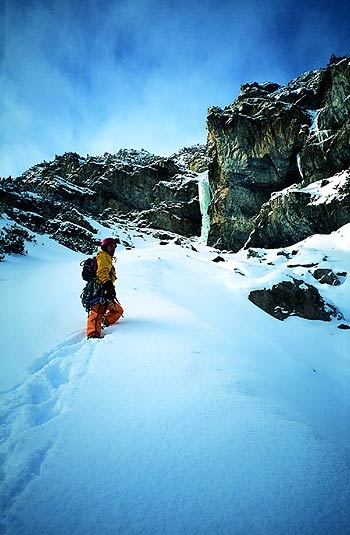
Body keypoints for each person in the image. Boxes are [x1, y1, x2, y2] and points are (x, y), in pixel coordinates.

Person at [86, 237, 124, 339]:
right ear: (105, 247)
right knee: (97, 313)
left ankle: (104, 321)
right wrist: (108, 285)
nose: (113, 248)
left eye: (114, 247)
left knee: (118, 310)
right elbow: (102, 272)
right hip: (99, 291)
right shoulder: (103, 257)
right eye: (111, 246)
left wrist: (109, 288)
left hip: (106, 292)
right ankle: (93, 334)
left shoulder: (107, 257)